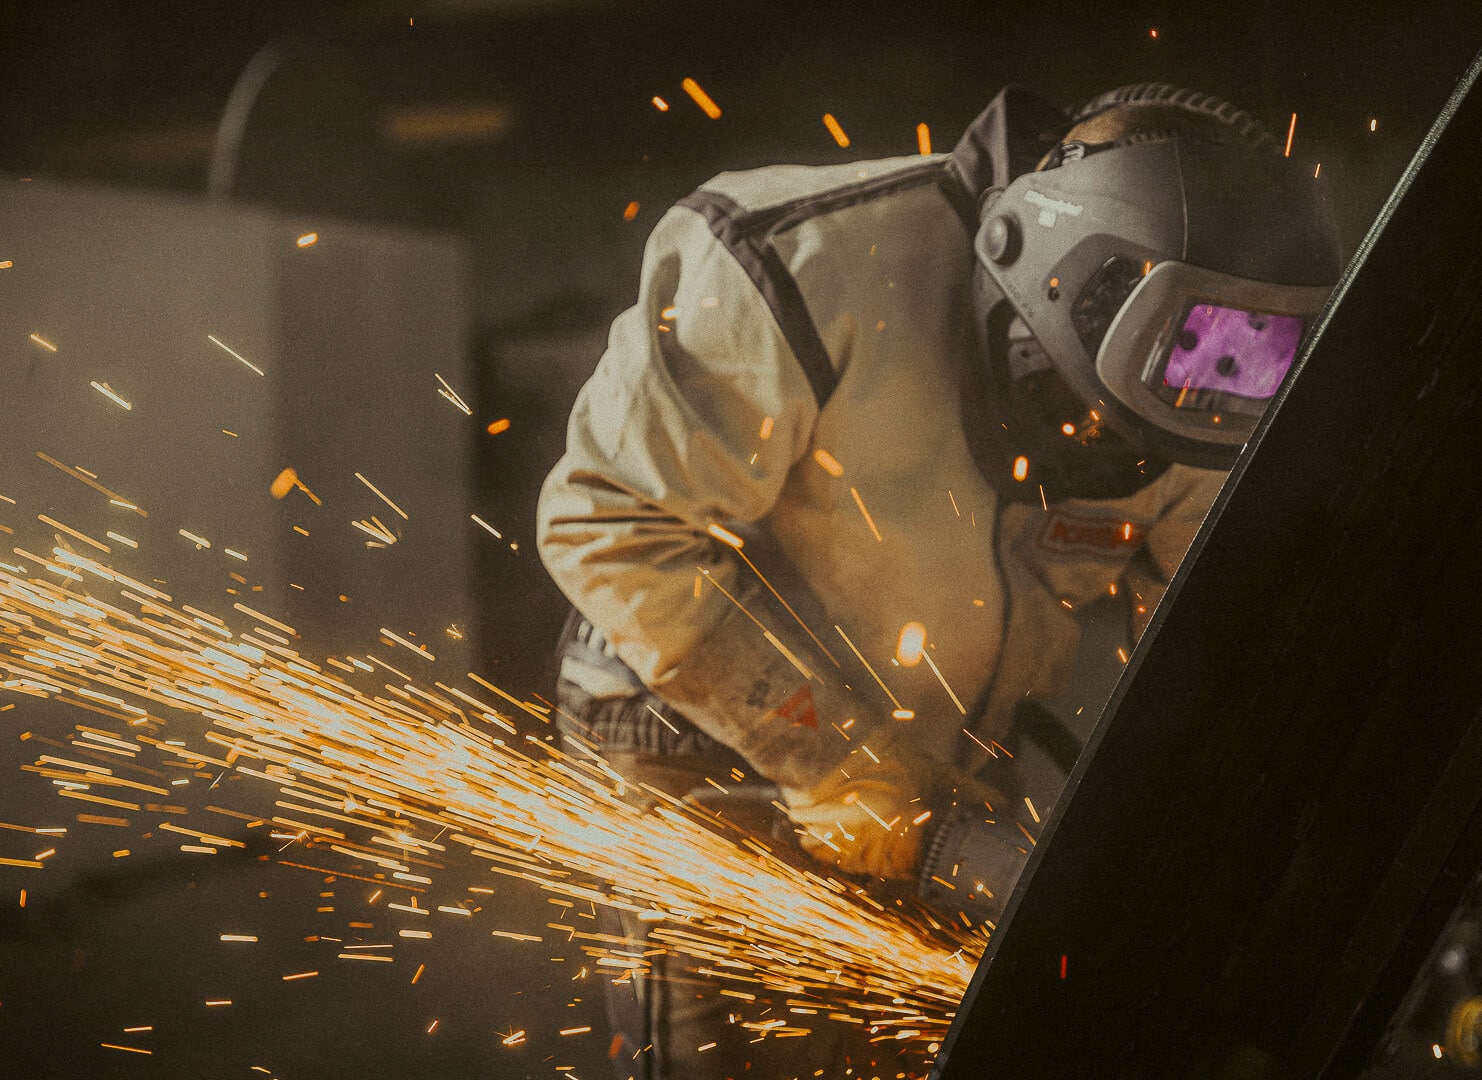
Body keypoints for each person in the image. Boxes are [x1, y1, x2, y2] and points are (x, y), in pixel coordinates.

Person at [537, 82, 1342, 1080]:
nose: (1101, 456)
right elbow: (613, 525)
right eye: (1080, 417)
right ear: (1034, 289)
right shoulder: (800, 263)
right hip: (691, 705)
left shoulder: (1219, 370)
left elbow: (1223, 644)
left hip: (946, 732)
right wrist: (839, 762)